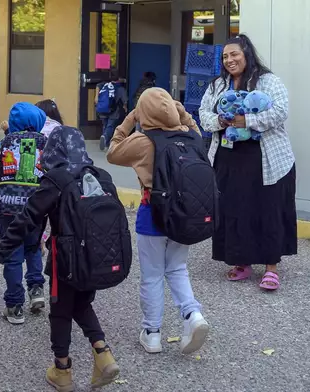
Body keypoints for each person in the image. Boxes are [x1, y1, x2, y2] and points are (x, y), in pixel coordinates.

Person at [0, 126, 120, 392]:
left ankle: (62, 371)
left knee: (60, 311)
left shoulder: (56, 179)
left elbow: (26, 219)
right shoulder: (101, 176)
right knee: (81, 303)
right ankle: (103, 354)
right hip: (95, 257)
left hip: (66, 258)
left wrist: (0, 253)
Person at [107, 87, 210, 355]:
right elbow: (193, 125)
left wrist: (130, 119)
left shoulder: (143, 141)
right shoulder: (192, 138)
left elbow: (113, 151)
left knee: (152, 275)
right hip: (184, 214)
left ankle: (152, 333)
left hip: (152, 213)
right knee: (177, 268)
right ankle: (192, 315)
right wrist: (181, 112)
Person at [198, 34, 297, 290]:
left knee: (268, 210)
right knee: (234, 210)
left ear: (247, 54)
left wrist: (246, 121)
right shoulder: (218, 85)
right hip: (228, 158)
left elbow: (280, 111)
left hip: (266, 158)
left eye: (235, 54)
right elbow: (203, 114)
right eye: (225, 56)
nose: (230, 60)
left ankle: (271, 267)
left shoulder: (268, 81)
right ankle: (241, 262)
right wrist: (221, 121)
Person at [0, 102, 48, 324]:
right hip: (36, 210)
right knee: (33, 248)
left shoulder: (1, 146)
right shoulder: (45, 145)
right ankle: (36, 289)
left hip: (9, 210)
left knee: (12, 255)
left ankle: (14, 306)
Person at [95, 71, 127, 151]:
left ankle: (105, 143)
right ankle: (105, 137)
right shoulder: (120, 88)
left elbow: (98, 85)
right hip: (113, 111)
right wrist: (125, 107)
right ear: (119, 79)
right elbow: (124, 101)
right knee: (110, 126)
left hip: (102, 109)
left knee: (105, 125)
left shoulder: (105, 85)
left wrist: (96, 97)